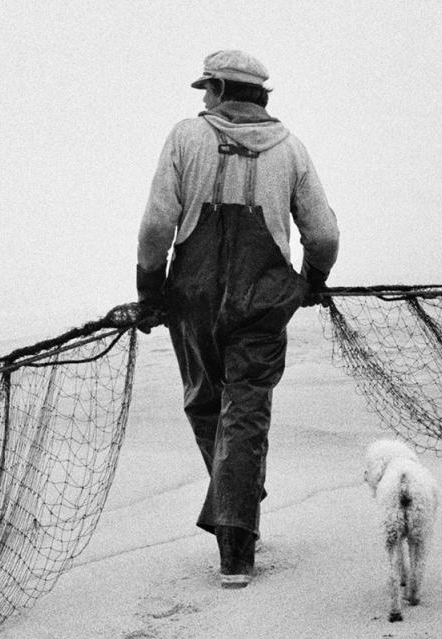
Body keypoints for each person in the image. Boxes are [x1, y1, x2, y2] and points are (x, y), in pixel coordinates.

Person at [134, 50, 340, 588]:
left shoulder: (185, 138)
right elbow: (324, 236)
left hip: (193, 298)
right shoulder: (291, 150)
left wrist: (148, 290)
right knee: (244, 416)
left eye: (208, 88)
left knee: (205, 403)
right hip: (265, 302)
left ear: (223, 89)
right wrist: (312, 281)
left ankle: (235, 518)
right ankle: (238, 523)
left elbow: (158, 224)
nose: (203, 98)